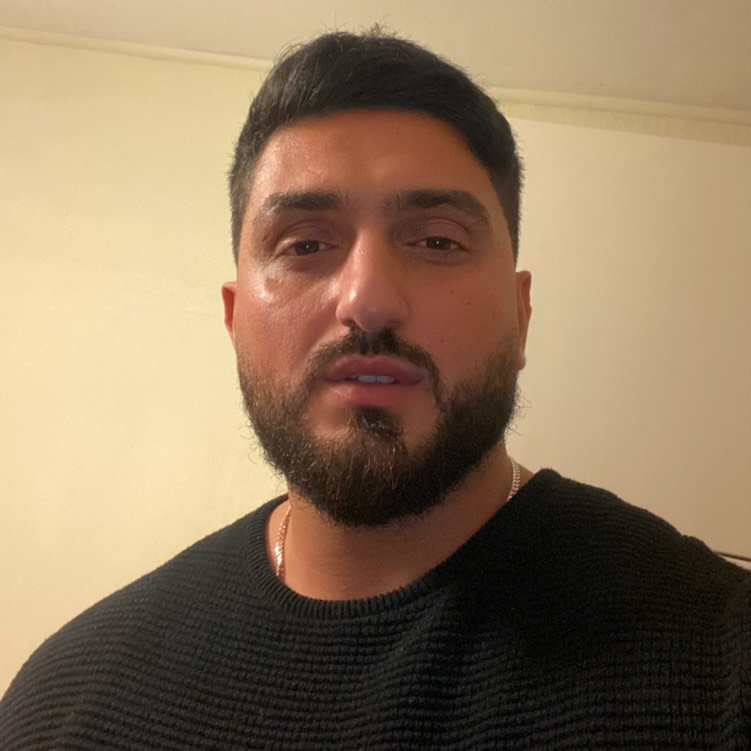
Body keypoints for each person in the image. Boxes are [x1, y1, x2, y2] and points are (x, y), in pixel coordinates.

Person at [1, 30, 749, 750]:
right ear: (234, 320)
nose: (366, 300)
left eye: (436, 240)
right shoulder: (58, 703)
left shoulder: (721, 661)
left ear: (521, 316)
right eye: (304, 244)